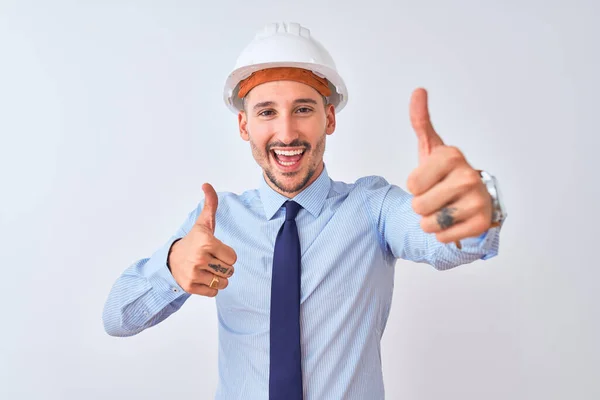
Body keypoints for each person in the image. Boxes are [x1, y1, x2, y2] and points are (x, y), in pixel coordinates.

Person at [103, 22, 507, 400]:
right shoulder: (217, 221)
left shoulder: (374, 207)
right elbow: (118, 319)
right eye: (266, 112)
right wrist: (172, 267)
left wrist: (471, 209)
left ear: (328, 118)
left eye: (303, 109)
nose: (287, 133)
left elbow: (446, 241)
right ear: (244, 126)